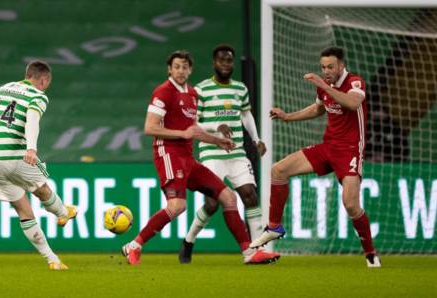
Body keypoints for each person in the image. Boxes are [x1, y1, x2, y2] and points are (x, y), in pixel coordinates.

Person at [121, 50, 280, 265]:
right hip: (168, 154)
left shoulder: (193, 94)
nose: (181, 71)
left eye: (185, 67)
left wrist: (217, 140)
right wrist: (181, 134)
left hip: (187, 157)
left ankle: (250, 253)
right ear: (170, 69)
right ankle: (134, 245)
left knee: (228, 197)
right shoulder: (163, 92)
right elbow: (149, 128)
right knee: (177, 206)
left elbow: (193, 129)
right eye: (176, 66)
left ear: (190, 69)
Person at [250, 46, 381, 267]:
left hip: (350, 150)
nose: (326, 71)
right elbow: (318, 109)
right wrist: (287, 116)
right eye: (323, 67)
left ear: (341, 65)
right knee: (278, 170)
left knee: (350, 204)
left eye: (330, 67)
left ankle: (370, 253)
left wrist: (322, 84)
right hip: (328, 147)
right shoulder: (325, 87)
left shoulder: (355, 82)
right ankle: (274, 227)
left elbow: (352, 103)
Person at [179, 44, 269, 263]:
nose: (226, 65)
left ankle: (257, 249)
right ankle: (189, 241)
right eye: (222, 60)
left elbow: (246, 115)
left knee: (250, 195)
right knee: (212, 204)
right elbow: (193, 121)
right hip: (212, 153)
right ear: (214, 63)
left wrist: (256, 139)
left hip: (237, 152)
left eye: (229, 61)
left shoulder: (240, 89)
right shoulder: (201, 90)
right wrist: (216, 126)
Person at [0, 60, 77, 271]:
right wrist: (31, 148)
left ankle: (52, 259)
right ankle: (63, 212)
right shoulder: (38, 96)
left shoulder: (2, 88)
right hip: (14, 155)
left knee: (24, 211)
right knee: (42, 181)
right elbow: (32, 120)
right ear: (43, 80)